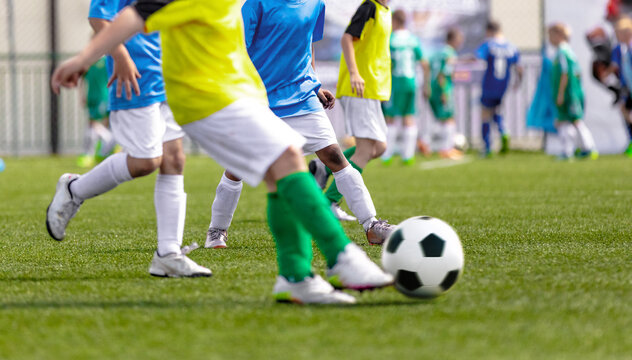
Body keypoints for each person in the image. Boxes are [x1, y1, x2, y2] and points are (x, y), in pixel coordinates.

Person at [51, 0, 394, 304]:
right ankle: (340, 257)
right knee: (287, 159)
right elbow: (134, 15)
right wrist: (84, 59)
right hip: (207, 98)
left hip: (237, 93)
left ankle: (295, 277)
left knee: (283, 170)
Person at [206, 0, 394, 249]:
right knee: (236, 168)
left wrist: (314, 85)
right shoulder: (256, 4)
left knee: (335, 156)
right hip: (260, 97)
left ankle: (372, 225)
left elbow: (307, 46)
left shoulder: (316, 4)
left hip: (303, 96)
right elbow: (237, 49)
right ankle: (216, 232)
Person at [46, 0, 211, 278]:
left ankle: (168, 254)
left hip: (169, 75)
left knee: (174, 159)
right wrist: (120, 57)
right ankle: (74, 189)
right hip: (135, 76)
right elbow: (98, 17)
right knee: (146, 162)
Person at [310, 0, 393, 222]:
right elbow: (347, 38)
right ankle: (329, 202)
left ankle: (322, 167)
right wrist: (355, 73)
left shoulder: (385, 11)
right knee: (365, 150)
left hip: (373, 90)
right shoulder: (370, 7)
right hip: (360, 89)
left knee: (380, 147)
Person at [380, 9, 428, 166]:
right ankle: (408, 156)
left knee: (391, 118)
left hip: (396, 83)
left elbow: (384, 62)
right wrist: (426, 84)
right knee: (409, 117)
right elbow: (424, 63)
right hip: (411, 83)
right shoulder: (413, 39)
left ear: (394, 22)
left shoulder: (391, 39)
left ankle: (386, 156)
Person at [548, 23, 598, 160]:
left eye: (551, 35)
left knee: (572, 120)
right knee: (568, 121)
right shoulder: (567, 52)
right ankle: (574, 149)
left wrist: (561, 93)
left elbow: (565, 74)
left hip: (569, 94)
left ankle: (586, 148)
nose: (549, 39)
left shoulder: (563, 53)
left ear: (559, 35)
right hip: (572, 93)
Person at [476, 20, 522, 158]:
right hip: (503, 86)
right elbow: (519, 68)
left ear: (489, 31)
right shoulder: (511, 46)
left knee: (485, 114)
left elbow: (478, 58)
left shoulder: (488, 45)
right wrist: (518, 83)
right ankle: (504, 131)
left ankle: (487, 147)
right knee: (496, 111)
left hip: (489, 85)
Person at [428, 28, 464, 160]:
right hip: (443, 89)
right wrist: (444, 91)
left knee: (442, 119)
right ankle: (446, 149)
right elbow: (443, 73)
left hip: (433, 88)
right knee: (449, 119)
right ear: (453, 39)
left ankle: (431, 144)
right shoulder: (450, 53)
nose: (460, 43)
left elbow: (429, 66)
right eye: (459, 40)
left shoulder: (438, 52)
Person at [77, 56, 116, 168]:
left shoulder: (107, 61)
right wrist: (82, 95)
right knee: (97, 125)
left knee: (94, 125)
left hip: (102, 97)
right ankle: (103, 151)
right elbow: (82, 79)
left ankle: (109, 145)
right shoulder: (88, 62)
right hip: (93, 97)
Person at [610, 17, 632, 157]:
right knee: (624, 109)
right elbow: (615, 66)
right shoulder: (618, 50)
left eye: (620, 32)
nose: (618, 36)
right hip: (627, 87)